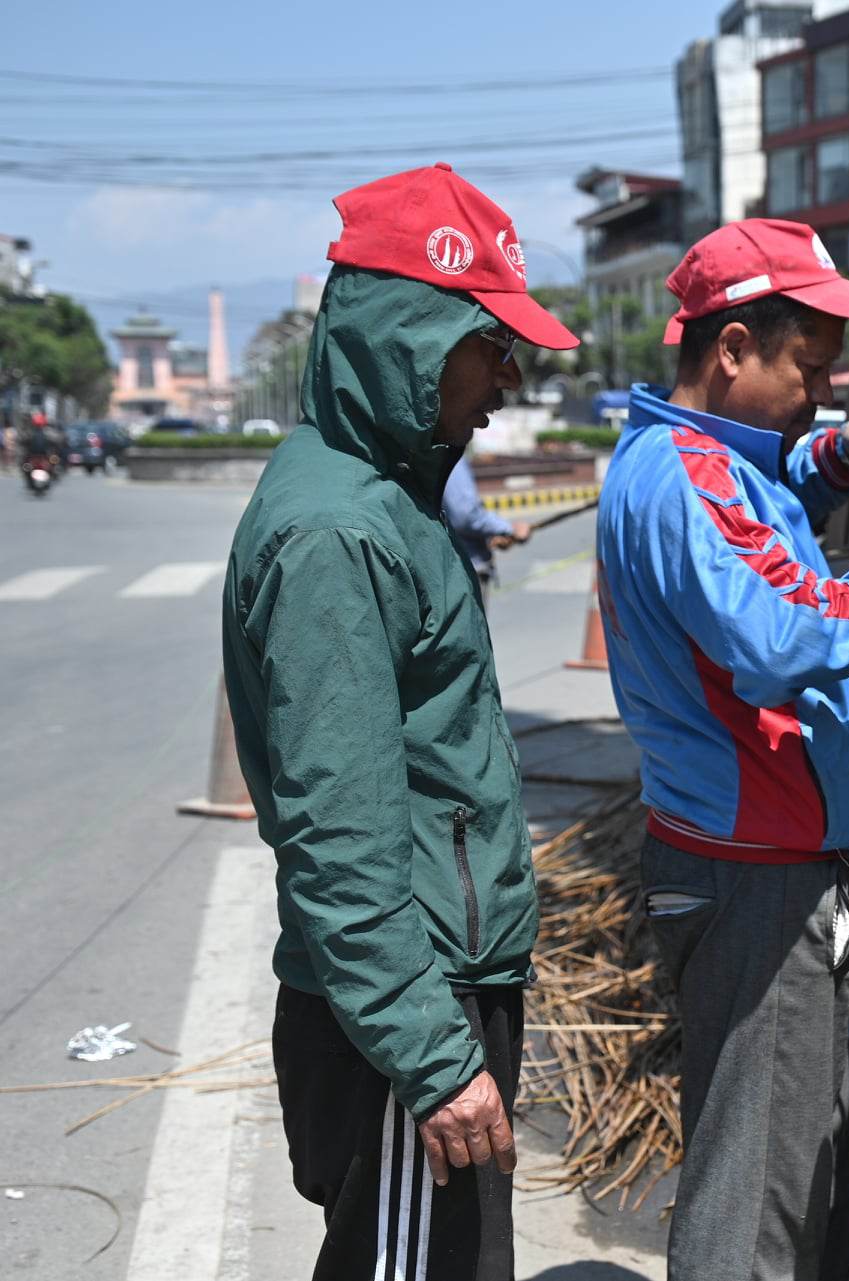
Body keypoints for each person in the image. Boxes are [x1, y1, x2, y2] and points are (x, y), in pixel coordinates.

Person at [596, 218, 849, 1280]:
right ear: (730, 351)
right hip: (756, 880)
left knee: (793, 1167)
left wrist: (830, 453)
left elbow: (761, 506)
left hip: (752, 863)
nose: (820, 391)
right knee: (756, 1206)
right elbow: (777, 635)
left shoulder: (689, 457)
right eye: (807, 371)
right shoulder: (685, 483)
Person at [221, 162, 579, 1281]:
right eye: (490, 346)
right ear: (410, 337)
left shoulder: (389, 495)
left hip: (426, 990)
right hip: (403, 1016)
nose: (507, 382)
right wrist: (433, 1058)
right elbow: (343, 836)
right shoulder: (337, 534)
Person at [442, 452, 530, 611]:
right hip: (463, 570)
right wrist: (508, 529)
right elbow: (465, 515)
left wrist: (493, 535)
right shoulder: (448, 453)